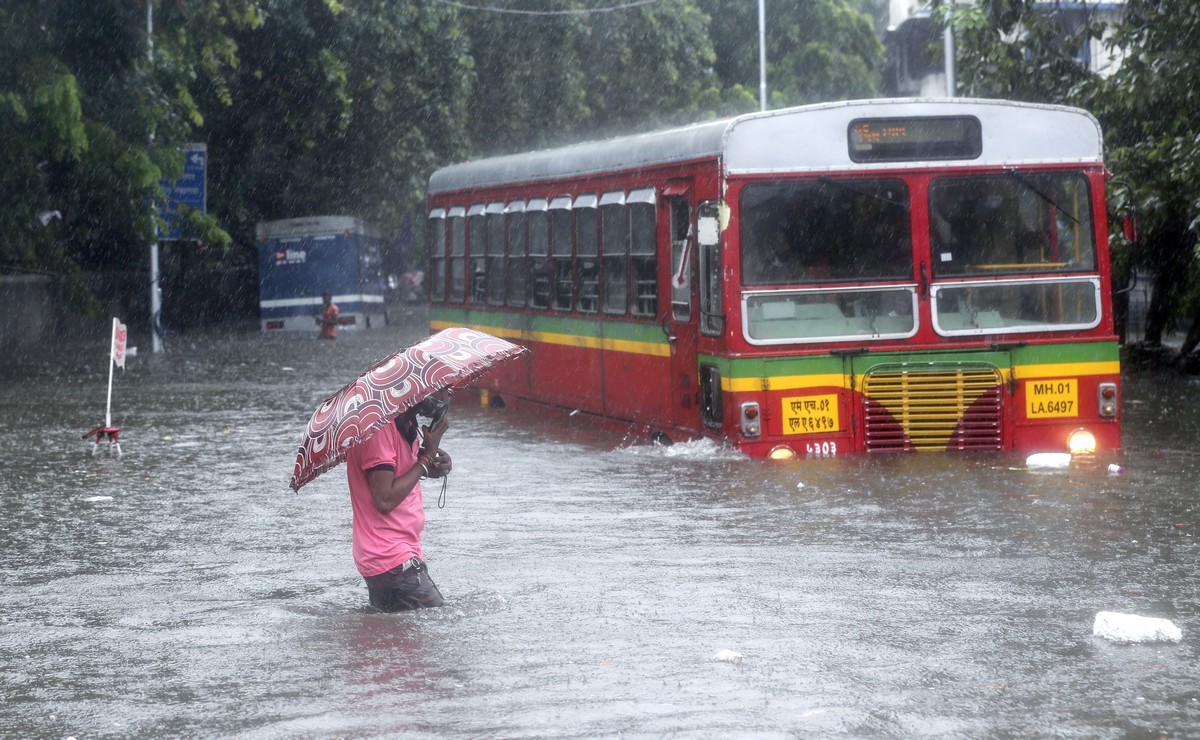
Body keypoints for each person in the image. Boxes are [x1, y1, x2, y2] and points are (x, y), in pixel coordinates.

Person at [345, 391, 453, 611]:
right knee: (442, 624)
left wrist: (434, 465)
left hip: (394, 555)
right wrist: (425, 458)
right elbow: (384, 499)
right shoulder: (380, 429)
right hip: (390, 557)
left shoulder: (406, 422)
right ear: (416, 387)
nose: (445, 396)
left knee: (396, 639)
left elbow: (400, 473)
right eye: (441, 388)